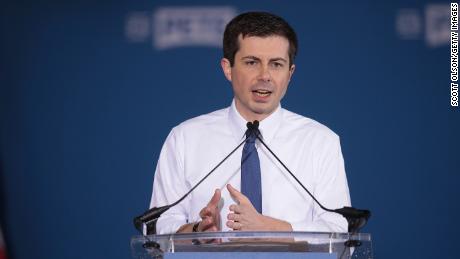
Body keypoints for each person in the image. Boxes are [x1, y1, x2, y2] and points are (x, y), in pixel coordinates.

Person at [150, 11, 351, 234]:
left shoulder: (321, 141)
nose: (264, 75)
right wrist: (197, 232)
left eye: (276, 64)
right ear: (228, 68)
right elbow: (159, 225)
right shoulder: (185, 139)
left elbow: (339, 231)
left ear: (290, 74)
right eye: (252, 62)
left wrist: (272, 230)